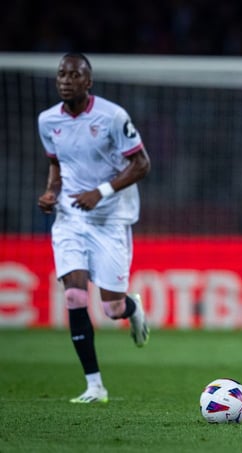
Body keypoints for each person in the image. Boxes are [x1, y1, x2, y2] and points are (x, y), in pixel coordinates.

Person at [36, 53, 151, 403]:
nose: (66, 80)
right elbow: (56, 165)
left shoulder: (112, 116)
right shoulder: (47, 121)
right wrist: (51, 192)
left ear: (88, 82)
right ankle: (94, 386)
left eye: (74, 75)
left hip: (110, 218)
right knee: (74, 295)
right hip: (70, 217)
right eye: (61, 74)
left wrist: (100, 192)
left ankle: (132, 309)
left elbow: (142, 164)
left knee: (111, 309)